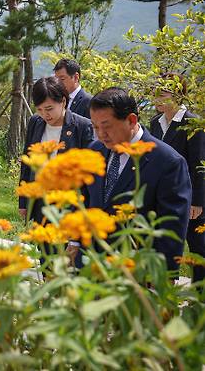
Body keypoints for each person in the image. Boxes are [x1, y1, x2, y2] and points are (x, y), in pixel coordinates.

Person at [87, 87, 191, 274]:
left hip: (138, 271)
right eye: (95, 127)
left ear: (131, 120)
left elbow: (172, 226)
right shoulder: (94, 150)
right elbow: (85, 199)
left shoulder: (167, 161)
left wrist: (162, 273)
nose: (101, 134)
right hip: (92, 264)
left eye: (107, 126)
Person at [18, 77, 94, 265]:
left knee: (68, 261)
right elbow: (27, 161)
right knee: (46, 257)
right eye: (40, 109)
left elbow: (88, 172)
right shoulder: (36, 122)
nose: (45, 114)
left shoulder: (82, 127)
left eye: (50, 108)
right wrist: (24, 200)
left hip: (69, 204)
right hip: (40, 202)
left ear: (63, 101)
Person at [150, 73, 205, 283]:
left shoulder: (192, 123)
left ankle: (200, 297)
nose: (157, 99)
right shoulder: (156, 122)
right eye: (155, 93)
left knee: (197, 247)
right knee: (167, 244)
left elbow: (199, 163)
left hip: (189, 196)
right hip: (164, 196)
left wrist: (198, 201)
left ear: (178, 95)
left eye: (162, 94)